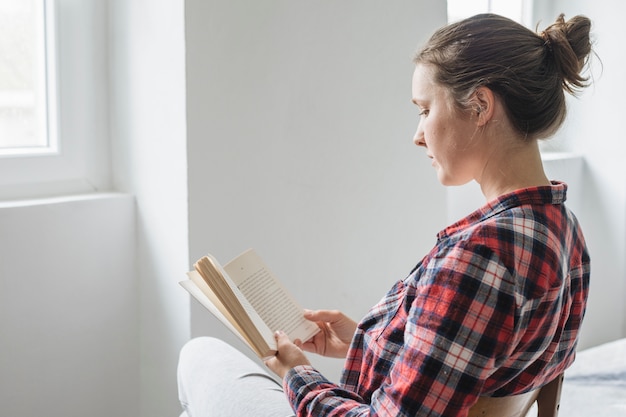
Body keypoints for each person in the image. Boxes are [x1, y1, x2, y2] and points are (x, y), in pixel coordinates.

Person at [177, 13, 593, 417]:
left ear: (481, 106)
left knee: (198, 355)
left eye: (425, 109)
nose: (417, 135)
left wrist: (295, 373)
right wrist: (368, 339)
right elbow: (487, 361)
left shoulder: (482, 255)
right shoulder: (565, 233)